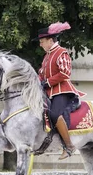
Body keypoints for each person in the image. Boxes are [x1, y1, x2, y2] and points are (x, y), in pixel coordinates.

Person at [36, 22, 86, 160]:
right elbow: (41, 73)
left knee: (55, 114)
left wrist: (47, 82)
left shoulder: (61, 52)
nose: (40, 44)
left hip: (62, 91)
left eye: (42, 41)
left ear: (50, 40)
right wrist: (37, 80)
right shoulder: (47, 56)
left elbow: (65, 73)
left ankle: (69, 146)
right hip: (48, 91)